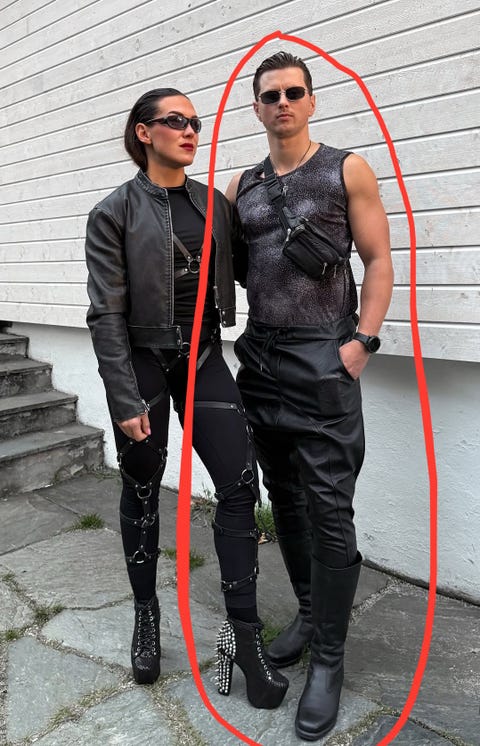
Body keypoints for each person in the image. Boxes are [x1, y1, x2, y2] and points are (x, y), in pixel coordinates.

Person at [84, 88, 288, 708]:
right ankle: (146, 615)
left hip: (202, 357)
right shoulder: (113, 212)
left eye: (195, 122)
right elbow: (105, 314)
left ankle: (244, 638)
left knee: (240, 484)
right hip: (142, 363)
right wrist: (124, 397)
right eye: (176, 121)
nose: (191, 130)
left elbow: (252, 267)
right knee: (143, 486)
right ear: (144, 132)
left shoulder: (215, 205)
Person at [225, 52, 393, 740]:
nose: (283, 103)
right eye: (271, 95)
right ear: (257, 107)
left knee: (329, 508)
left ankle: (329, 657)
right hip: (260, 359)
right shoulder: (242, 185)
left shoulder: (346, 169)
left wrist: (362, 343)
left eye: (294, 92)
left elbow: (378, 259)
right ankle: (305, 611)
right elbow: (222, 267)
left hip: (324, 356)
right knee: (285, 498)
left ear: (312, 101)